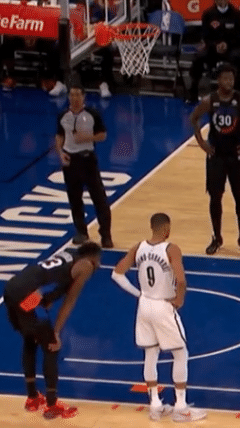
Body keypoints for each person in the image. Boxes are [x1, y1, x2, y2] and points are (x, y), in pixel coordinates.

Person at [111, 213, 207, 422]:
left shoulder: (138, 247)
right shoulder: (171, 249)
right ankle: (181, 407)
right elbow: (181, 280)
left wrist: (138, 294)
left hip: (144, 305)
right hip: (163, 305)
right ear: (167, 230)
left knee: (151, 353)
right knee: (180, 353)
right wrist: (179, 299)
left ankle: (155, 405)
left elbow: (117, 274)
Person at [2, 242, 102, 419]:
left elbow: (50, 283)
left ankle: (33, 398)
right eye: (99, 259)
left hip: (12, 290)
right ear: (93, 257)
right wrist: (56, 332)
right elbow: (69, 301)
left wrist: (46, 301)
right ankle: (52, 404)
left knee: (30, 338)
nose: (99, 264)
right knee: (51, 345)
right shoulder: (86, 266)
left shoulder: (67, 255)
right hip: (30, 296)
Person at [189, 63, 240, 256]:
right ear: (218, 80)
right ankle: (216, 237)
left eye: (231, 78)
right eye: (225, 78)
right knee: (215, 198)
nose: (229, 82)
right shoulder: (210, 100)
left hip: (237, 156)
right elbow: (194, 118)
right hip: (216, 156)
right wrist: (201, 143)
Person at [55, 84, 113, 248]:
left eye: (77, 95)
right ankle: (81, 232)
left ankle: (106, 235)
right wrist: (60, 152)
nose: (74, 98)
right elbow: (59, 135)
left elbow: (103, 135)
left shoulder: (92, 114)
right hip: (70, 161)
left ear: (83, 97)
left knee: (99, 198)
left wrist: (86, 138)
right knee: (74, 198)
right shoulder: (63, 115)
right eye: (72, 95)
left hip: (87, 160)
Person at [188, 0, 240, 102]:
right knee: (198, 57)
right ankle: (193, 91)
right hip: (213, 48)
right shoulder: (208, 14)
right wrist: (215, 45)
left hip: (231, 48)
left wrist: (227, 44)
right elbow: (205, 36)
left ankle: (237, 91)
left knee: (238, 57)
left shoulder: (236, 14)